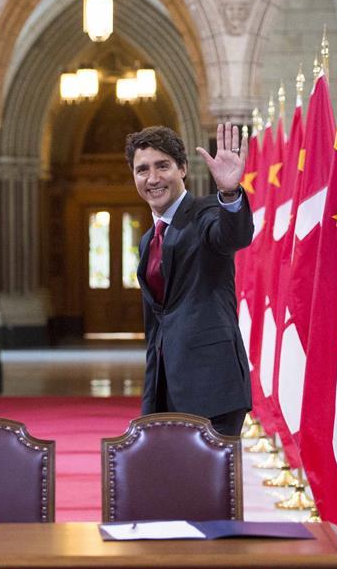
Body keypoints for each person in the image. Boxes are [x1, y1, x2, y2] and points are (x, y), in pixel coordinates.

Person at [126, 123, 253, 437]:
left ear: (182, 168)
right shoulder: (147, 241)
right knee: (172, 485)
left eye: (163, 166)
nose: (153, 178)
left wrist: (229, 193)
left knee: (214, 486)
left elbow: (233, 235)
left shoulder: (207, 212)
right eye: (142, 170)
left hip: (213, 388)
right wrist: (150, 401)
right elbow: (158, 325)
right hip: (166, 391)